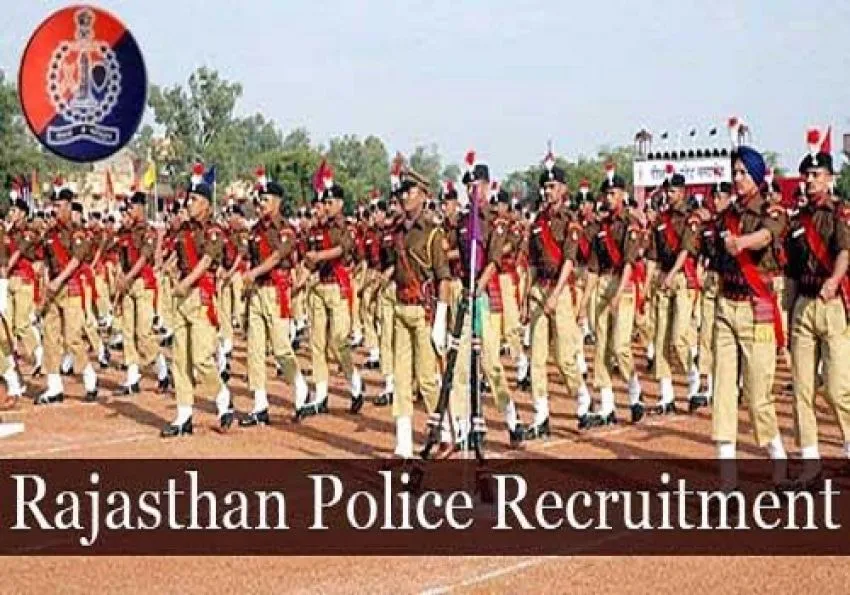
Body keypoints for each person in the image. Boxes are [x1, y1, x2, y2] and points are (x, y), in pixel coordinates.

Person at [709, 146, 788, 482]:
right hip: (726, 306)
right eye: (735, 172)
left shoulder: (771, 210)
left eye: (743, 172)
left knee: (758, 395)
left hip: (758, 310)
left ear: (756, 175)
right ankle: (728, 480)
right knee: (723, 392)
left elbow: (766, 236)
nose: (737, 177)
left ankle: (779, 462)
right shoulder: (725, 215)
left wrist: (741, 242)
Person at [785, 147, 850, 485]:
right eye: (806, 175)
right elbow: (791, 272)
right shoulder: (796, 221)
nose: (810, 180)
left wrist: (834, 280)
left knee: (838, 388)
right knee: (802, 389)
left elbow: (845, 252)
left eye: (816, 175)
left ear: (829, 178)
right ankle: (810, 462)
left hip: (832, 305)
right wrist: (787, 312)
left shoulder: (839, 213)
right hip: (803, 306)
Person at [523, 158, 597, 433]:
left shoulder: (570, 222)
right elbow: (532, 263)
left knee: (565, 357)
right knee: (537, 356)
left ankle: (583, 400)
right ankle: (540, 414)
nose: (547, 191)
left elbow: (568, 260)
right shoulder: (537, 222)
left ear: (563, 189)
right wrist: (525, 298)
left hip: (561, 291)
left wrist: (555, 295)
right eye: (545, 187)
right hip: (539, 290)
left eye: (553, 186)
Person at [161, 180, 232, 437]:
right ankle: (184, 415)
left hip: (200, 294)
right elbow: (175, 256)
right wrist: (168, 267)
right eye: (189, 199)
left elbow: (206, 261)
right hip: (182, 297)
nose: (189, 204)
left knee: (202, 358)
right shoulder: (183, 231)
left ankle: (222, 396)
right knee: (180, 359)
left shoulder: (214, 231)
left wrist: (185, 283)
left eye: (194, 200)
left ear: (206, 205)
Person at [389, 171, 452, 458]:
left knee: (427, 378)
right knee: (401, 378)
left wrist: (441, 319)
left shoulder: (433, 233)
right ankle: (402, 444)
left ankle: (445, 433)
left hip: (424, 310)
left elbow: (444, 279)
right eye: (402, 192)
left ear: (424, 195)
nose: (405, 197)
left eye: (410, 191)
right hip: (401, 307)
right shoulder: (398, 232)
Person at [239, 180, 310, 425]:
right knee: (254, 349)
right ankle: (260, 404)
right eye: (260, 199)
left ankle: (300, 388)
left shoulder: (286, 229)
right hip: (258, 291)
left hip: (276, 290)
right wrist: (249, 282)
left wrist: (254, 272)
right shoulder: (255, 230)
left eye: (266, 199)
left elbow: (278, 256)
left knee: (281, 348)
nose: (261, 204)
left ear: (277, 202)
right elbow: (250, 257)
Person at [301, 176, 364, 417]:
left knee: (339, 341)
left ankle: (355, 383)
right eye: (323, 203)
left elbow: (342, 249)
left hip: (338, 287)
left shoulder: (347, 227)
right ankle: (321, 394)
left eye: (329, 203)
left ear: (340, 203)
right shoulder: (317, 229)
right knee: (317, 342)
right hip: (318, 287)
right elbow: (309, 257)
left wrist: (319, 257)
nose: (325, 207)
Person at [36, 187, 98, 405]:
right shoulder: (49, 234)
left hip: (70, 287)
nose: (55, 210)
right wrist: (46, 286)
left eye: (59, 205)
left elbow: (76, 260)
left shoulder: (78, 232)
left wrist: (57, 281)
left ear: (69, 206)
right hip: (53, 289)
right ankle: (54, 386)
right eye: (54, 205)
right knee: (50, 336)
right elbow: (46, 262)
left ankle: (89, 377)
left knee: (72, 337)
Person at [646, 174, 702, 413]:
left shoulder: (691, 218)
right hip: (663, 278)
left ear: (682, 192)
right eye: (667, 191)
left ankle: (694, 382)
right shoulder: (661, 219)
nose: (668, 195)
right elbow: (653, 255)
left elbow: (686, 250)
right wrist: (648, 284)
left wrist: (671, 275)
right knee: (661, 338)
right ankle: (666, 395)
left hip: (681, 278)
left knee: (679, 336)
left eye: (673, 191)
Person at [592, 167, 644, 424]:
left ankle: (634, 392)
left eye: (613, 193)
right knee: (601, 345)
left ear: (623, 194)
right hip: (603, 282)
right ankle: (607, 405)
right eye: (607, 194)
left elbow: (630, 262)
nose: (609, 198)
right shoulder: (601, 226)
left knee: (620, 346)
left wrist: (619, 292)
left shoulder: (630, 224)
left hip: (623, 285)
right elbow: (593, 266)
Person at [113, 192, 169, 395]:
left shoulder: (148, 231)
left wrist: (128, 278)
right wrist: (120, 278)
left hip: (143, 283)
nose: (129, 211)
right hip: (128, 285)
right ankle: (132, 377)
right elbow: (121, 258)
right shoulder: (124, 232)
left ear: (141, 207)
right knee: (127, 331)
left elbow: (145, 258)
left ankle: (162, 369)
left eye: (132, 207)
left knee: (143, 333)